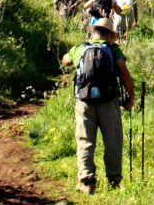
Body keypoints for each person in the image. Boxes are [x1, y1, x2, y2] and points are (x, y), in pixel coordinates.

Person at [61, 17, 135, 194]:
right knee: (113, 142)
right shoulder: (113, 49)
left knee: (85, 141)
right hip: (109, 102)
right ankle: (114, 181)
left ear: (93, 32)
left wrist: (70, 56)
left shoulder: (80, 48)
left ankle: (87, 181)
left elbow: (65, 61)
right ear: (110, 34)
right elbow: (124, 74)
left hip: (84, 102)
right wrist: (130, 97)